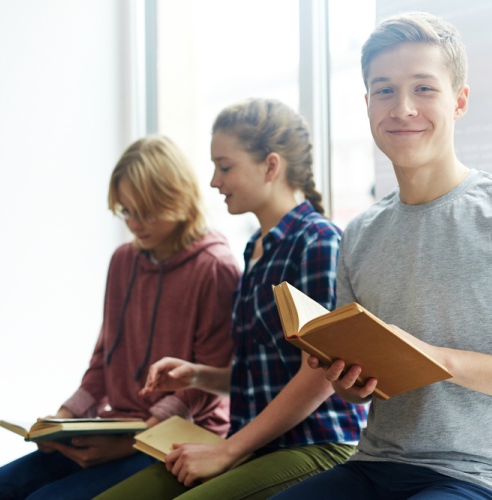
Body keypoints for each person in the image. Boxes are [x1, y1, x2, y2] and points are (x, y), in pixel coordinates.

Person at [271, 11, 492, 500]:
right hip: (375, 466)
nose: (403, 108)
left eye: (424, 89)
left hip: (484, 477)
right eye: (384, 90)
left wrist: (438, 359)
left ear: (460, 101)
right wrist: (349, 381)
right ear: (368, 104)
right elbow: (355, 387)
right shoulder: (361, 233)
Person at [95, 98, 368, 500]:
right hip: (258, 444)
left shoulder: (318, 241)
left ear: (271, 166)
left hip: (316, 444)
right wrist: (198, 375)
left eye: (224, 167)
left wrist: (228, 450)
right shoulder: (256, 248)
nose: (213, 182)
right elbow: (266, 374)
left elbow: (320, 377)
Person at [0, 136, 240, 500]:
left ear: (178, 197)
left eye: (145, 211)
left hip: (178, 437)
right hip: (115, 427)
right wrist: (59, 421)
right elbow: (103, 360)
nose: (134, 224)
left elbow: (204, 385)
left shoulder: (215, 268)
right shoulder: (124, 260)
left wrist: (131, 443)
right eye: (126, 211)